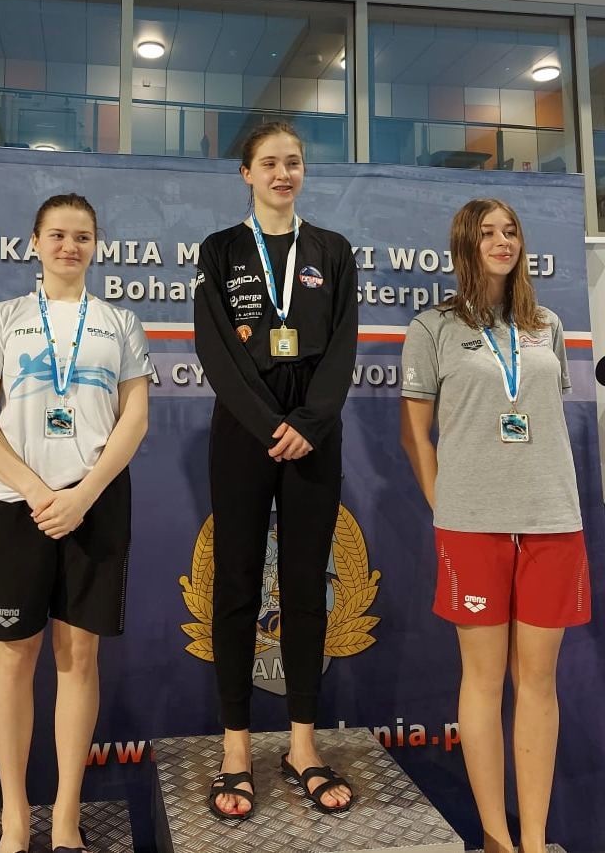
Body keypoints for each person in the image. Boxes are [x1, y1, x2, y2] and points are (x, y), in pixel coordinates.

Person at [0, 193, 155, 853]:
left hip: (94, 507)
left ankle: (67, 815)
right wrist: (40, 492)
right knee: (14, 656)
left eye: (83, 236)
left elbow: (134, 419)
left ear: (96, 245)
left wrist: (82, 494)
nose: (71, 246)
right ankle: (15, 820)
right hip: (16, 506)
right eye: (58, 235)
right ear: (35, 243)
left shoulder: (120, 322)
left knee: (80, 656)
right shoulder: (0, 319)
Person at [400, 198, 591, 853]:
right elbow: (415, 436)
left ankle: (533, 841)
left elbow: (544, 417)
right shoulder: (432, 328)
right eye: (487, 233)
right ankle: (495, 839)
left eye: (510, 231)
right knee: (481, 683)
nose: (502, 241)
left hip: (551, 520)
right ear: (465, 244)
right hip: (472, 527)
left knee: (537, 684)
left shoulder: (548, 326)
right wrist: (447, 506)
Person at [194, 122, 358, 820]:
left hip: (314, 433)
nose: (282, 173)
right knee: (235, 585)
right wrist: (269, 426)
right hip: (244, 430)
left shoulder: (333, 250)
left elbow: (344, 344)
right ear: (247, 173)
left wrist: (309, 423)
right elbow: (214, 348)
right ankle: (236, 749)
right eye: (269, 163)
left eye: (293, 162)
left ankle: (301, 745)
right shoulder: (220, 249)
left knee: (305, 587)